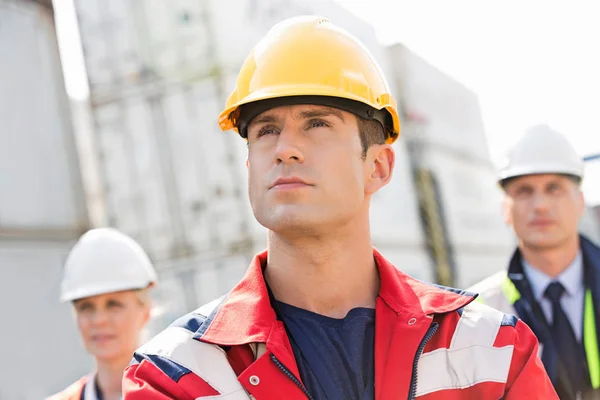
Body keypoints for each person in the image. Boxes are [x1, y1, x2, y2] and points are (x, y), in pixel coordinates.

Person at [123, 16, 556, 399]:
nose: (285, 148)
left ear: (379, 166)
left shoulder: (492, 351)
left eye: (317, 124)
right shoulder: (176, 376)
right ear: (249, 163)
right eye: (266, 130)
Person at [469, 124, 600, 399]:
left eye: (554, 188)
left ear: (580, 202)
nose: (540, 204)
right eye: (524, 191)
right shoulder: (477, 313)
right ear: (505, 209)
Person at [48, 228, 158, 400]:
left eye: (113, 304)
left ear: (146, 310)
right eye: (86, 307)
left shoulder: (181, 394)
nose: (98, 320)